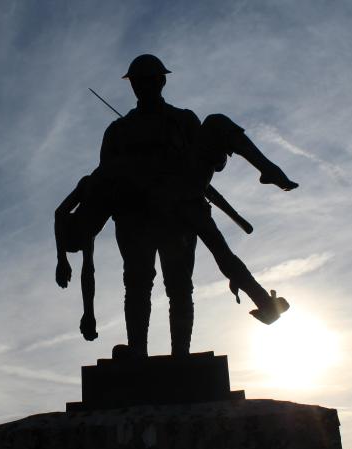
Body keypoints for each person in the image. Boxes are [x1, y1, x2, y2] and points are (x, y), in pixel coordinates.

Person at [97, 54, 297, 358]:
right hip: (138, 215)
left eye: (149, 80)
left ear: (161, 82)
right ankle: (138, 351)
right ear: (133, 85)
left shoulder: (183, 119)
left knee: (179, 287)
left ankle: (181, 356)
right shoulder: (118, 130)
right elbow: (105, 177)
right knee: (138, 285)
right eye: (139, 82)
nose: (144, 86)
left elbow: (213, 163)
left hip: (181, 207)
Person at [54, 174, 110, 341]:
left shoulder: (85, 230)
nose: (81, 249)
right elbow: (59, 213)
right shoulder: (86, 185)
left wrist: (61, 259)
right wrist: (61, 258)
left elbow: (88, 271)